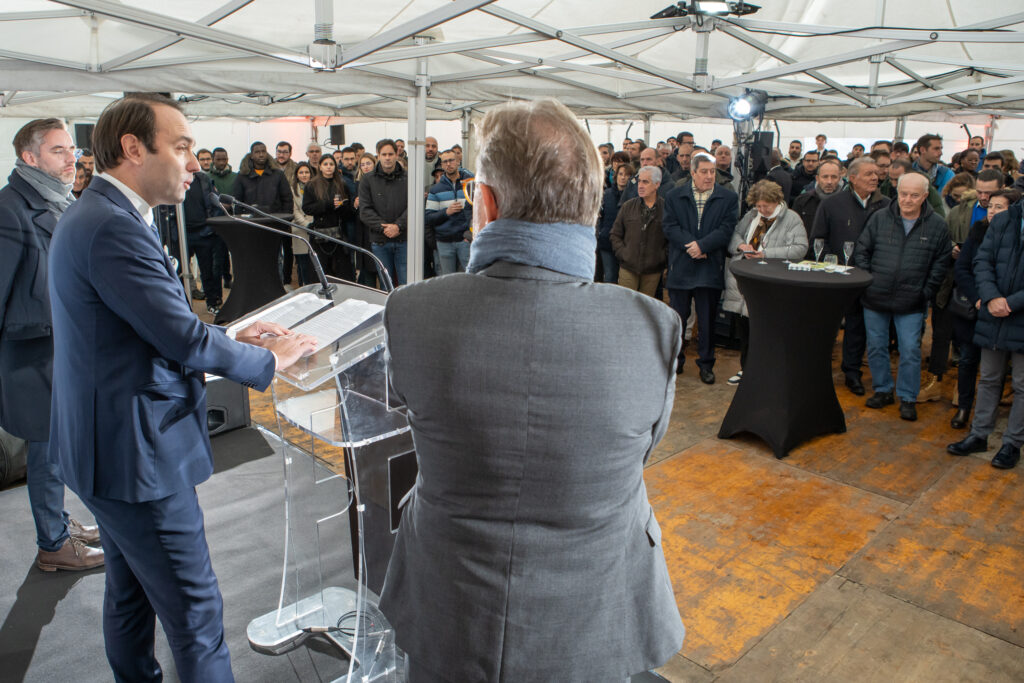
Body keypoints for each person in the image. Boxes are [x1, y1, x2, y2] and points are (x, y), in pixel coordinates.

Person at [378, 98, 684, 682]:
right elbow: (640, 452)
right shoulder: (653, 327)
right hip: (594, 613)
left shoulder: (412, 311)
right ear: (593, 206)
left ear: (484, 204)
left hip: (450, 601)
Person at [48, 93, 318, 682]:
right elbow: (180, 341)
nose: (194, 164)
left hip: (107, 447)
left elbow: (147, 323)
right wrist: (266, 357)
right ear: (132, 149)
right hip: (137, 457)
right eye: (182, 147)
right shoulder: (111, 228)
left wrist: (236, 331)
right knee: (195, 613)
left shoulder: (102, 215)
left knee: (131, 595)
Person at [0, 118, 104, 572]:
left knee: (57, 446)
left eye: (73, 151)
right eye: (60, 151)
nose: (73, 159)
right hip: (32, 351)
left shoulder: (56, 200)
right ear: (30, 158)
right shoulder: (10, 209)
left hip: (60, 348)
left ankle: (59, 523)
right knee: (47, 450)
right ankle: (53, 545)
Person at [853, 172, 952, 421]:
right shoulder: (880, 218)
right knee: (876, 346)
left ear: (925, 196)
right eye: (903, 194)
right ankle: (883, 389)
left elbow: (941, 263)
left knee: (910, 350)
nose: (907, 200)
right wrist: (869, 281)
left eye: (914, 195)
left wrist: (925, 291)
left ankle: (908, 397)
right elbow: (862, 250)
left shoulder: (938, 225)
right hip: (875, 296)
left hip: (912, 301)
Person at [946, 190, 1024, 469]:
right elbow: (982, 261)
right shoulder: (1004, 220)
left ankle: (1012, 444)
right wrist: (991, 297)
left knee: (1021, 385)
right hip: (993, 312)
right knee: (989, 378)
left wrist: (1011, 303)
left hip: (1018, 313)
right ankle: (979, 435)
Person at [811, 157, 890, 395]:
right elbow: (818, 240)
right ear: (852, 178)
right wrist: (830, 265)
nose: (875, 177)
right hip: (837, 278)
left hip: (870, 278)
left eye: (876, 173)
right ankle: (817, 369)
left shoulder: (886, 205)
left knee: (857, 328)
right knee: (826, 326)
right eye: (869, 174)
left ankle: (852, 372)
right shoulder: (832, 204)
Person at [723, 180, 809, 385]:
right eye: (758, 206)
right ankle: (746, 370)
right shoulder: (753, 215)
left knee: (767, 330)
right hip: (745, 281)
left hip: (769, 281)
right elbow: (734, 233)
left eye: (766, 206)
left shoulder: (791, 219)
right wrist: (742, 245)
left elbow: (800, 248)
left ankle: (768, 372)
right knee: (745, 330)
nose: (762, 210)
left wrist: (766, 254)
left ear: (776, 201)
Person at [663, 152, 739, 384]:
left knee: (707, 321)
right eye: (704, 171)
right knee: (678, 319)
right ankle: (676, 362)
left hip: (709, 267)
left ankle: (706, 364)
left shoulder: (728, 197)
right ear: (692, 173)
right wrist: (692, 246)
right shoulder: (674, 195)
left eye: (712, 171)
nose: (709, 176)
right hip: (682, 265)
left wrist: (704, 245)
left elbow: (727, 228)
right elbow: (669, 226)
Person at [610, 166, 667, 297]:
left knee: (645, 307)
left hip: (652, 269)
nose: (640, 185)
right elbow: (615, 234)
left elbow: (670, 239)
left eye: (645, 182)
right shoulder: (628, 206)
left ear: (657, 185)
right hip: (628, 267)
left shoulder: (666, 209)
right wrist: (624, 253)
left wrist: (661, 258)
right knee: (626, 304)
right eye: (640, 181)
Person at [359, 139, 408, 286]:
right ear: (378, 155)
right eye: (384, 154)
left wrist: (398, 226)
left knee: (405, 283)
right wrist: (385, 228)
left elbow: (415, 207)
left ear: (397, 154)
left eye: (391, 154)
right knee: (386, 284)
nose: (387, 157)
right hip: (380, 241)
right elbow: (365, 210)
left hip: (403, 239)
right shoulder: (367, 180)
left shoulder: (408, 178)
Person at [303, 154, 356, 281]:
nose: (328, 167)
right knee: (319, 272)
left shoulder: (342, 184)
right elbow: (307, 208)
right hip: (319, 234)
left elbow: (348, 211)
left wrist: (342, 207)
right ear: (320, 167)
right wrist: (328, 205)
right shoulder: (311, 185)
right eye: (325, 164)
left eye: (331, 164)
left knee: (342, 272)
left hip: (339, 233)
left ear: (335, 166)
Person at [425, 149, 473, 275]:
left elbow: (477, 212)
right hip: (444, 242)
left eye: (451, 160)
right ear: (441, 165)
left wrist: (470, 234)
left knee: (470, 277)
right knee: (447, 279)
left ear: (458, 162)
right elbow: (429, 218)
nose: (448, 164)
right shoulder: (435, 190)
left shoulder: (469, 186)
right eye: (444, 161)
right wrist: (447, 212)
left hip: (465, 240)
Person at [597, 163, 633, 283]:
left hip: (626, 243)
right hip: (606, 241)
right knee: (610, 276)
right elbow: (600, 216)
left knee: (624, 278)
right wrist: (601, 232)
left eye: (627, 175)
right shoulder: (606, 194)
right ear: (616, 176)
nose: (623, 177)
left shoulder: (633, 196)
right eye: (621, 174)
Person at [793, 158, 842, 241]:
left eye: (834, 177)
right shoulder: (803, 200)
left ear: (839, 179)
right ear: (817, 178)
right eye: (825, 177)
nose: (829, 181)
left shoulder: (847, 202)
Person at [289, 161, 317, 286]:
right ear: (297, 175)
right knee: (302, 264)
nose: (304, 175)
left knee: (314, 263)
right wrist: (306, 224)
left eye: (306, 172)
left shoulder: (317, 187)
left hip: (316, 228)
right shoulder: (292, 190)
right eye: (301, 172)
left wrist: (313, 224)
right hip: (300, 229)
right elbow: (294, 211)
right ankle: (303, 288)